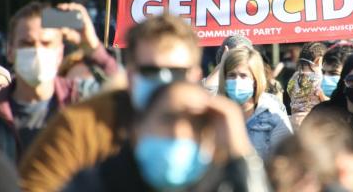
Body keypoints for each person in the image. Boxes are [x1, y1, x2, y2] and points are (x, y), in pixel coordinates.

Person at [19, 13, 202, 192]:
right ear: (130, 76)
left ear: (195, 77)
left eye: (176, 73)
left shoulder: (215, 125)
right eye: (150, 72)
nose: (164, 83)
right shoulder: (82, 125)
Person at [63, 82, 271, 192]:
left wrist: (241, 154)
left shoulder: (223, 186)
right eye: (168, 119)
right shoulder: (95, 183)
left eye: (195, 123)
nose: (180, 133)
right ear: (137, 127)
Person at [0, 1, 117, 161]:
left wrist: (92, 47)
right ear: (10, 51)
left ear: (60, 52)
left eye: (46, 43)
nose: (37, 51)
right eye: (27, 44)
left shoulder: (80, 98)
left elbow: (132, 100)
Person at [218, 47, 293, 159]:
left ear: (255, 80)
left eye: (243, 76)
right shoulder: (217, 113)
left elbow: (286, 158)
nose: (237, 81)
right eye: (232, 75)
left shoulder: (272, 114)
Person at [287, 42, 327, 130]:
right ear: (319, 61)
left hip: (293, 121)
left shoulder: (294, 76)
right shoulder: (318, 76)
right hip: (312, 122)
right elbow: (322, 98)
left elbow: (291, 95)